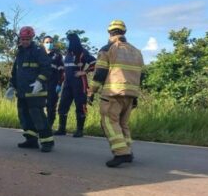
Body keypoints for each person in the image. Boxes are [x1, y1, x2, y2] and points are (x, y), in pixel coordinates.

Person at [88, 20, 144, 167]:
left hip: (112, 93)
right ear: (124, 32)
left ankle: (121, 153)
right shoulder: (136, 51)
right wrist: (135, 94)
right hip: (131, 94)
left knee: (109, 123)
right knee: (123, 124)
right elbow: (141, 75)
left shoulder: (107, 49)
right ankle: (128, 151)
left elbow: (100, 73)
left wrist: (91, 92)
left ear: (110, 32)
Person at [5, 26, 55, 152]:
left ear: (31, 38)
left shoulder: (38, 50)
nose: (25, 41)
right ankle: (31, 140)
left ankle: (47, 141)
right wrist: (12, 86)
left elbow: (47, 68)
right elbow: (16, 72)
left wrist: (39, 81)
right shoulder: (20, 52)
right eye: (23, 39)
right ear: (20, 39)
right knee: (24, 117)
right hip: (22, 92)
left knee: (38, 117)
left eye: (27, 39)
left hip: (35, 92)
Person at [54, 33, 96, 137]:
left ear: (73, 41)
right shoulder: (67, 53)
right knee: (63, 105)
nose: (66, 42)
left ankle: (79, 130)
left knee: (80, 106)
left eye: (67, 40)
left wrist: (84, 72)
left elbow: (95, 63)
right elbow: (64, 69)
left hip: (79, 83)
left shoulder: (82, 52)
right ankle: (61, 129)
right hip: (67, 83)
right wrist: (60, 83)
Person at [42, 36, 65, 128]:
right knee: (38, 107)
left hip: (53, 85)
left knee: (51, 107)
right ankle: (40, 126)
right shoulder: (39, 55)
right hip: (40, 85)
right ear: (43, 44)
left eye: (50, 42)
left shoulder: (57, 56)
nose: (49, 44)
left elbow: (62, 71)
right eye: (47, 42)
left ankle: (49, 126)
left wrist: (59, 84)